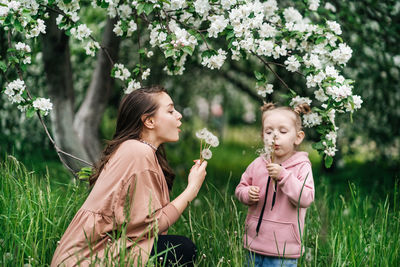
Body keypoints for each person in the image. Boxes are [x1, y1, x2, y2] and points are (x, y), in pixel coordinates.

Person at [51, 86, 208, 267]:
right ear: (149, 121)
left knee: (176, 248)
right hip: (86, 258)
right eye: (170, 111)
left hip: (94, 252)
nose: (179, 115)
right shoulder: (138, 152)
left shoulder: (139, 150)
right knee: (181, 249)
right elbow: (151, 226)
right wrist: (192, 189)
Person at [235, 103, 315, 267]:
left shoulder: (302, 166)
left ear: (298, 137)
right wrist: (247, 193)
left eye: (283, 131)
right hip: (254, 245)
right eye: (269, 131)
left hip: (284, 251)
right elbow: (240, 188)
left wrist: (283, 176)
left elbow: (306, 198)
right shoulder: (258, 164)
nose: (274, 136)